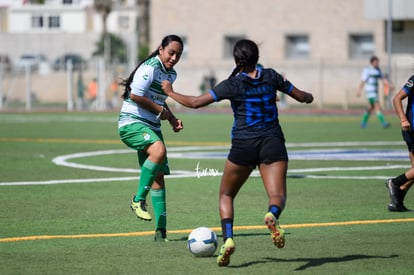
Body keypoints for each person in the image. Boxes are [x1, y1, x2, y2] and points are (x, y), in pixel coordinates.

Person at [161, 39, 314, 266]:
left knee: (226, 195)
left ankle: (229, 238)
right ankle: (272, 214)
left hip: (243, 145)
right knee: (277, 195)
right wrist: (309, 97)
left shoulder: (232, 84)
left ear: (236, 60)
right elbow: (301, 96)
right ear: (257, 59)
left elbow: (195, 102)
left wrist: (170, 92)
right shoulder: (272, 76)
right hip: (272, 142)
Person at [118, 34, 184, 241]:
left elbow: (158, 101)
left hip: (152, 125)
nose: (174, 58)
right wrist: (160, 111)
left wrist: (172, 119)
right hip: (132, 123)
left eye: (178, 55)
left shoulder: (170, 75)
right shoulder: (149, 68)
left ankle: (161, 231)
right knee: (159, 150)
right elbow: (135, 96)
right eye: (171, 52)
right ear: (161, 49)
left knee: (158, 176)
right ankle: (137, 200)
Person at [385, 75, 414, 212]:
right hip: (412, 129)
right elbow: (396, 98)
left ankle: (397, 202)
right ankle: (395, 183)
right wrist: (403, 119)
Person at [357, 56, 390, 128]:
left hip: (375, 91)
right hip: (370, 91)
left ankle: (363, 123)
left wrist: (389, 85)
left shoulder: (378, 70)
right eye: (376, 62)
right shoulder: (367, 70)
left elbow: (383, 79)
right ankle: (383, 123)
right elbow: (363, 81)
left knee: (370, 107)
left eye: (378, 62)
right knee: (377, 106)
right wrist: (359, 90)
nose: (377, 63)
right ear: (371, 62)